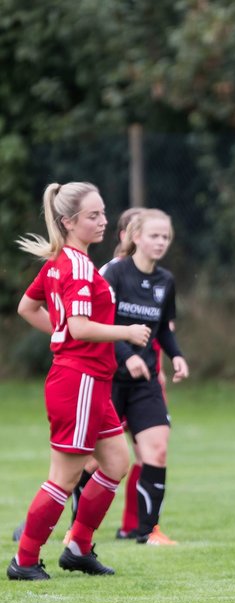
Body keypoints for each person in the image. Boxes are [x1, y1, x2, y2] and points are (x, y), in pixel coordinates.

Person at [8, 182, 151, 581]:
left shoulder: (62, 262)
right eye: (93, 215)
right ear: (68, 222)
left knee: (117, 462)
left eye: (103, 212)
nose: (103, 221)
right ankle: (24, 559)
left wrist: (64, 334)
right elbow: (81, 326)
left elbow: (26, 307)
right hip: (79, 381)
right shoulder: (75, 267)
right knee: (65, 476)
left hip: (92, 381)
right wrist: (124, 332)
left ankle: (77, 547)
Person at [100, 208, 189, 544]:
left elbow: (162, 330)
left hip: (145, 382)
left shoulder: (165, 281)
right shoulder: (115, 274)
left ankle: (147, 531)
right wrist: (126, 355)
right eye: (154, 235)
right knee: (96, 462)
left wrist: (177, 355)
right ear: (135, 236)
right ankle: (76, 530)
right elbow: (103, 325)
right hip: (108, 377)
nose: (160, 242)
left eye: (165, 237)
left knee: (157, 451)